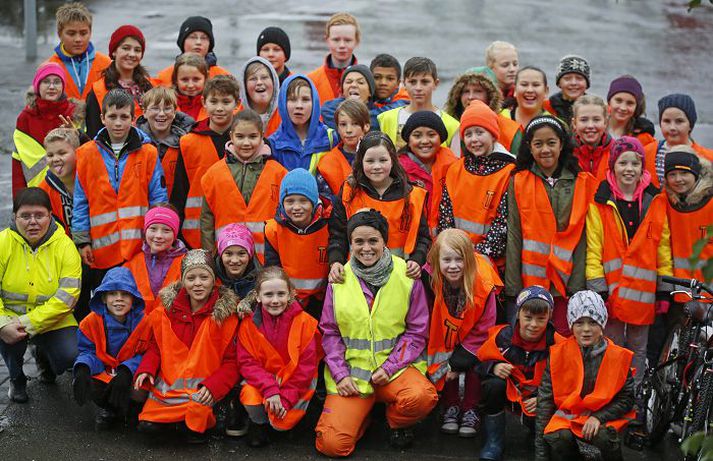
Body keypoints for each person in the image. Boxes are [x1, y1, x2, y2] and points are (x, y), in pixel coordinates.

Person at [315, 210, 438, 456]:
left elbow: (417, 332)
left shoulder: (406, 274)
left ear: (385, 242)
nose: (366, 248)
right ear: (350, 244)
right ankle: (362, 417)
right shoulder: (339, 278)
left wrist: (389, 367)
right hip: (353, 377)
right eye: (358, 242)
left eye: (373, 241)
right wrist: (340, 375)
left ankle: (397, 423)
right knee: (332, 445)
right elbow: (329, 333)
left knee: (422, 397)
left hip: (394, 372)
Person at [585, 136, 672, 387]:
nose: (629, 169)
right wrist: (597, 287)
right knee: (611, 348)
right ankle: (611, 395)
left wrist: (664, 291)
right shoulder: (600, 202)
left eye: (635, 163)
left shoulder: (655, 201)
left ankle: (633, 401)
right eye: (623, 162)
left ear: (642, 167)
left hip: (643, 296)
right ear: (612, 166)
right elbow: (594, 249)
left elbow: (663, 249)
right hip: (610, 292)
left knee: (638, 351)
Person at [133, 249, 243, 443]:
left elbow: (232, 362)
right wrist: (147, 369)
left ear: (214, 280)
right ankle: (179, 424)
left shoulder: (227, 316)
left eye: (204, 277)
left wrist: (213, 387)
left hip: (203, 393)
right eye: (191, 278)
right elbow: (156, 348)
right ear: (183, 281)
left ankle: (200, 419)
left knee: (193, 430)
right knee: (146, 428)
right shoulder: (166, 312)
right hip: (167, 395)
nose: (198, 283)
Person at [505, 115, 595, 336]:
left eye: (551, 143)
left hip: (568, 282)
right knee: (532, 337)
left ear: (562, 145)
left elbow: (584, 237)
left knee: (563, 337)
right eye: (538, 144)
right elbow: (514, 234)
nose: (545, 149)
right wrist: (513, 287)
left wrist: (577, 285)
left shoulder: (582, 182)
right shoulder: (519, 181)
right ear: (529, 146)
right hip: (531, 280)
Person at [73, 89, 167, 282]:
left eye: (124, 117)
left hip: (139, 247)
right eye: (112, 116)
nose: (118, 123)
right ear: (102, 118)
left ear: (133, 118)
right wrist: (83, 241)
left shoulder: (148, 153)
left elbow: (158, 198)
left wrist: (158, 234)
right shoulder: (85, 154)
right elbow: (80, 201)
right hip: (102, 251)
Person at [0, 188, 81, 403]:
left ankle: (45, 359)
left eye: (39, 215)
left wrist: (27, 322)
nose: (32, 222)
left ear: (50, 216)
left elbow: (67, 298)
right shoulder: (2, 242)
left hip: (54, 320)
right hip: (9, 319)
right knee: (8, 339)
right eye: (25, 216)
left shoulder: (65, 246)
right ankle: (16, 378)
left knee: (71, 355)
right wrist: (2, 324)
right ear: (14, 217)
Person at [535, 291, 636, 461]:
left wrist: (598, 417)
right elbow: (545, 403)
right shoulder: (558, 354)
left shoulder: (618, 357)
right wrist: (541, 456)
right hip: (569, 418)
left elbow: (627, 399)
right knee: (557, 437)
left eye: (593, 322)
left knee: (605, 437)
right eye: (579, 323)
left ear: (603, 324)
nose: (586, 329)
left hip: (604, 418)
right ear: (571, 325)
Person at [426, 229, 502, 438]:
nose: (453, 265)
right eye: (447, 259)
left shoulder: (484, 286)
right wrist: (449, 363)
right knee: (444, 360)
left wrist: (458, 362)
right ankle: (450, 406)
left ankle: (471, 408)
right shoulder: (428, 279)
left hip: (474, 336)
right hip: (446, 333)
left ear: (468, 260)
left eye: (459, 259)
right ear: (436, 260)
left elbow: (482, 330)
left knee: (474, 364)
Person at [327, 132, 430, 283]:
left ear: (393, 160)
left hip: (398, 276)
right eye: (370, 161)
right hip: (357, 275)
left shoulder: (413, 195)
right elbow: (337, 233)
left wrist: (417, 259)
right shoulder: (349, 192)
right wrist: (335, 261)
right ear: (360, 161)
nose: (376, 166)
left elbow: (423, 237)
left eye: (383, 160)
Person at [236, 266, 321, 447]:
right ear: (257, 296)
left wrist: (286, 397)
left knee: (282, 425)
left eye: (281, 294)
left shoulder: (305, 322)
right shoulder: (248, 324)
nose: (275, 300)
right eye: (268, 295)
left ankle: (290, 419)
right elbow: (247, 363)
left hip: (295, 384)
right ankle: (258, 423)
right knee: (249, 395)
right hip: (264, 384)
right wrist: (271, 390)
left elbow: (306, 369)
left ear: (290, 295)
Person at [476, 286, 563, 461]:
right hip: (511, 393)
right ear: (518, 314)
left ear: (550, 317)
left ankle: (537, 430)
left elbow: (566, 381)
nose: (533, 324)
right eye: (528, 317)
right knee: (493, 385)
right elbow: (479, 363)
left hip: (539, 399)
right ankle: (494, 442)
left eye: (540, 319)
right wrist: (492, 367)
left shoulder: (558, 345)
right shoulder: (502, 337)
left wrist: (543, 398)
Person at [200, 109, 288, 261]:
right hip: (226, 261)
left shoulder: (279, 173)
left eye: (253, 136)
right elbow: (207, 221)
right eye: (240, 136)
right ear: (231, 136)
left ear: (262, 136)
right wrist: (209, 258)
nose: (246, 143)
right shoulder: (213, 174)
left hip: (266, 260)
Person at [438, 101, 514, 269]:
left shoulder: (509, 172)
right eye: (469, 134)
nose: (474, 139)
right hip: (455, 260)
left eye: (480, 132)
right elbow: (445, 216)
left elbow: (503, 224)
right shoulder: (455, 169)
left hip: (491, 262)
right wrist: (455, 252)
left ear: (493, 135)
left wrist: (478, 253)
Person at [72, 267, 148, 430]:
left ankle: (134, 409)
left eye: (125, 294)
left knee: (141, 387)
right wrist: (83, 368)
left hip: (132, 374)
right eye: (113, 294)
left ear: (134, 298)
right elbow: (88, 351)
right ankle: (111, 410)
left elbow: (147, 353)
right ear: (103, 298)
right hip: (106, 372)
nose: (119, 299)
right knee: (90, 382)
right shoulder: (89, 322)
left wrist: (127, 371)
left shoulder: (145, 322)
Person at [171, 75, 241, 249]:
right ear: (204, 102)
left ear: (237, 103)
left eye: (226, 102)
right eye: (214, 101)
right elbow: (180, 191)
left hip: (236, 235)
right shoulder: (189, 142)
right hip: (194, 235)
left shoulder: (245, 142)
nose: (219, 108)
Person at [265, 169, 330, 319]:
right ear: (282, 203)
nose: (296, 207)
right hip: (288, 302)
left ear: (313, 202)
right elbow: (272, 269)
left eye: (303, 201)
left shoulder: (329, 225)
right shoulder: (273, 230)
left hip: (323, 301)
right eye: (289, 201)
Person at [13, 62, 83, 197]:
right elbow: (17, 164)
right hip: (38, 195)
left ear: (63, 86)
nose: (52, 86)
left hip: (73, 193)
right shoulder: (25, 118)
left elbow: (88, 154)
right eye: (46, 82)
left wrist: (77, 135)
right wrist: (19, 202)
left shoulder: (76, 114)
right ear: (38, 86)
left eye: (57, 82)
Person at [85, 25, 153, 138]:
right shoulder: (98, 90)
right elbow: (94, 135)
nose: (132, 54)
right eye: (126, 48)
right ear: (114, 51)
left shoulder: (149, 86)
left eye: (137, 50)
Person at [378, 57, 459, 150]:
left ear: (435, 84)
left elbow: (454, 161)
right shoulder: (386, 119)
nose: (418, 88)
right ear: (404, 84)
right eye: (412, 82)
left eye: (424, 82)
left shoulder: (452, 125)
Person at [397, 111, 457, 236]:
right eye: (417, 135)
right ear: (408, 140)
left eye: (431, 135)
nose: (424, 141)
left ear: (441, 138)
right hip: (412, 240)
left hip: (445, 239)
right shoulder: (398, 170)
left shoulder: (453, 165)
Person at [663, 149, 713, 296]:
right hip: (679, 292)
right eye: (672, 174)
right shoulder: (664, 203)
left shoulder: (710, 203)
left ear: (696, 174)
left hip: (709, 293)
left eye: (684, 173)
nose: (678, 179)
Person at [444, 69, 523, 156]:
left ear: (490, 96)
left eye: (478, 91)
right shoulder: (450, 127)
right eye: (466, 91)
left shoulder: (510, 130)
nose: (471, 97)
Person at [123, 206, 187, 313]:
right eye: (153, 229)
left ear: (175, 234)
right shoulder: (132, 264)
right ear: (145, 231)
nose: (158, 236)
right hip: (139, 327)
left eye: (166, 230)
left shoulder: (187, 262)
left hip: (171, 326)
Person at [267, 75, 336, 173]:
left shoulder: (330, 138)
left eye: (305, 99)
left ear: (314, 103)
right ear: (283, 103)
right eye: (292, 99)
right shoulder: (273, 144)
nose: (299, 106)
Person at [136, 87, 195, 198]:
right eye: (155, 108)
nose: (162, 114)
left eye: (167, 109)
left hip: (177, 207)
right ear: (144, 112)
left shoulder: (187, 142)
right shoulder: (135, 143)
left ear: (174, 113)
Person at [644, 93, 713, 188]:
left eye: (679, 121)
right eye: (667, 121)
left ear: (690, 125)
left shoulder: (708, 158)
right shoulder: (646, 153)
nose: (672, 127)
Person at [46, 2, 111, 101]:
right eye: (71, 34)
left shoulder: (106, 64)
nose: (78, 39)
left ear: (90, 32)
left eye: (83, 33)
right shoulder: (50, 66)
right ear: (59, 34)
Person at [154, 16, 231, 87]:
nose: (198, 42)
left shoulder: (223, 77)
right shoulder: (164, 78)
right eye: (192, 37)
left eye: (204, 38)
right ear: (182, 42)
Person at [316, 99, 368, 202]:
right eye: (343, 124)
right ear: (337, 128)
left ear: (366, 126)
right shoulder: (326, 163)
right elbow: (324, 201)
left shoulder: (378, 157)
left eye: (355, 123)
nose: (348, 130)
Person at [307, 12, 360, 105]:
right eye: (336, 40)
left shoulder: (368, 81)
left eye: (348, 40)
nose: (342, 45)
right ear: (327, 40)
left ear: (357, 41)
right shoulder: (311, 81)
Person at [38, 127, 80, 236]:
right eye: (50, 155)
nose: (55, 159)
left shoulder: (93, 179)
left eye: (62, 153)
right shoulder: (43, 191)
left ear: (78, 152)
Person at [321, 64, 383, 131]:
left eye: (360, 82)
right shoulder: (328, 110)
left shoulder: (381, 116)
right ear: (343, 91)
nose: (353, 85)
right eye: (348, 82)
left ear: (370, 92)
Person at [572, 95, 613, 182]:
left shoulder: (617, 151)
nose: (590, 125)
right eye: (584, 120)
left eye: (596, 120)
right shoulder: (565, 152)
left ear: (605, 122)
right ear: (574, 123)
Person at [606, 75, 656, 146]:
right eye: (618, 101)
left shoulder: (644, 138)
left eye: (630, 103)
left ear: (637, 107)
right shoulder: (595, 127)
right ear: (609, 102)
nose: (623, 108)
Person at [239, 56, 281, 137]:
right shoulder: (234, 117)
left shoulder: (286, 116)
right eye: (253, 79)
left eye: (264, 77)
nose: (259, 82)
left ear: (274, 83)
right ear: (245, 87)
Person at [215, 223, 259, 299]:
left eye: (241, 253)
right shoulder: (210, 283)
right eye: (228, 253)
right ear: (220, 254)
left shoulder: (261, 284)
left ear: (250, 255)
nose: (234, 260)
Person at [542, 55, 590, 124]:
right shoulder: (545, 107)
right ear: (559, 83)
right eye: (567, 78)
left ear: (587, 84)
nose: (573, 83)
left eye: (579, 78)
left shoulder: (598, 108)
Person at [171, 53, 209, 122]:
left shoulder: (214, 103)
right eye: (184, 80)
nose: (190, 85)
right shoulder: (166, 102)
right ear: (176, 79)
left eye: (196, 79)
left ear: (205, 78)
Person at [485, 41, 519, 110]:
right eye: (505, 65)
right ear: (491, 67)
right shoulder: (483, 95)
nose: (512, 69)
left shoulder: (524, 93)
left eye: (515, 64)